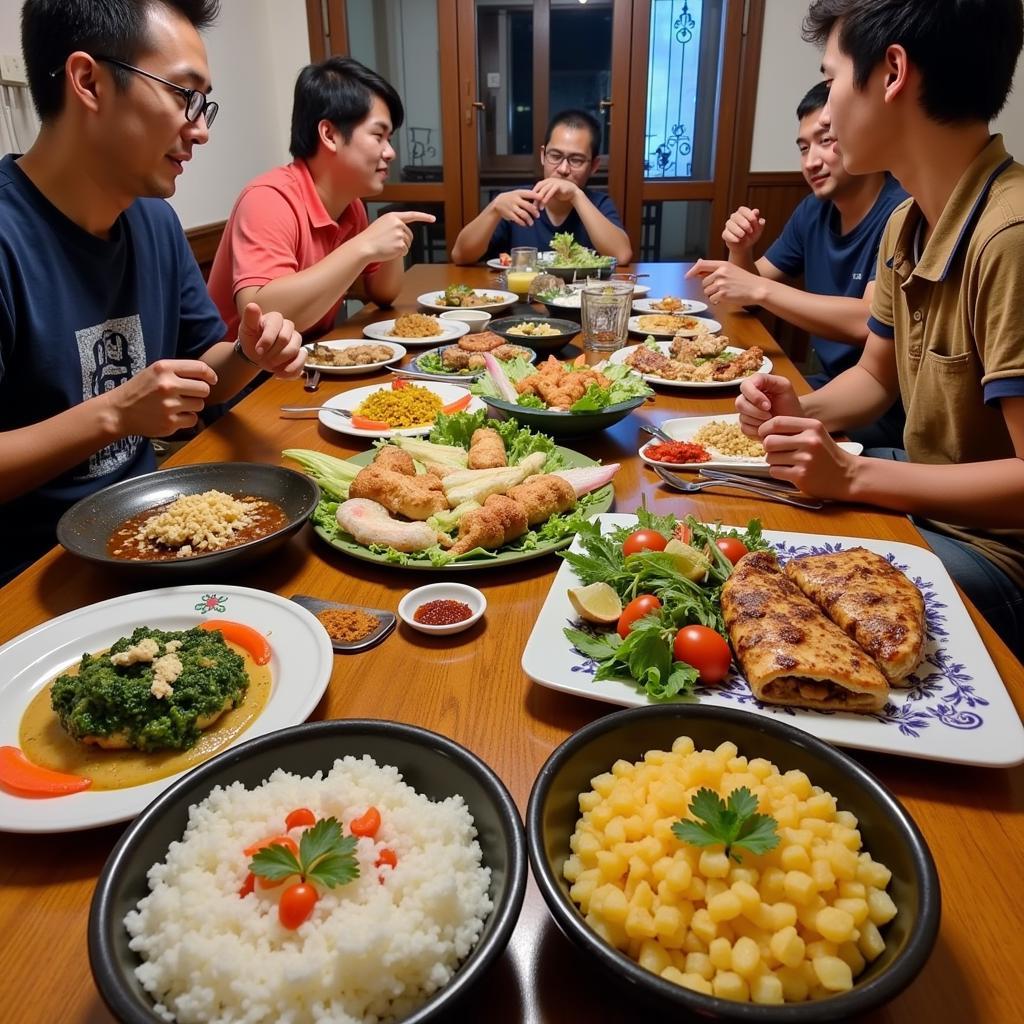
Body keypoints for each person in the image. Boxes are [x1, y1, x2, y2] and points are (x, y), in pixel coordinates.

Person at [738, 0, 1024, 658]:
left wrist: (853, 477)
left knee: (778, 610)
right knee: (742, 529)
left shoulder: (1008, 235)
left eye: (832, 77)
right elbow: (874, 377)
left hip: (996, 555)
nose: (829, 109)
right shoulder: (908, 225)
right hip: (927, 507)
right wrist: (801, 411)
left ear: (892, 72)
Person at [0, 0, 305, 585]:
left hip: (155, 539)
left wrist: (246, 352)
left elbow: (203, 374)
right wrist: (113, 413)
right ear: (88, 81)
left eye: (203, 102)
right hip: (35, 579)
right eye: (182, 95)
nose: (201, 129)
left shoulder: (154, 222)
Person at [688, 81, 907, 448]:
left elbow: (868, 320)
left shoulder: (900, 213)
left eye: (826, 141)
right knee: (717, 414)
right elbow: (746, 297)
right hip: (825, 385)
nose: (811, 161)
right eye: (804, 148)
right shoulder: (814, 211)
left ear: (859, 132)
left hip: (884, 414)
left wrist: (758, 287)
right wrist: (740, 250)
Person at [208, 57, 434, 339]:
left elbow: (383, 294)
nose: (390, 152)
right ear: (329, 134)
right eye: (378, 136)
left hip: (305, 362)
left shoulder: (350, 205)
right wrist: (364, 246)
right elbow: (261, 317)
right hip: (247, 379)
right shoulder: (268, 199)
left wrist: (391, 248)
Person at [451, 109, 632, 265]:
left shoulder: (598, 204)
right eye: (555, 156)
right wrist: (494, 208)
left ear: (593, 166)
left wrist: (576, 195)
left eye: (576, 160)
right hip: (523, 300)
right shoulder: (516, 202)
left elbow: (622, 255)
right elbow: (460, 256)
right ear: (543, 155)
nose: (563, 169)